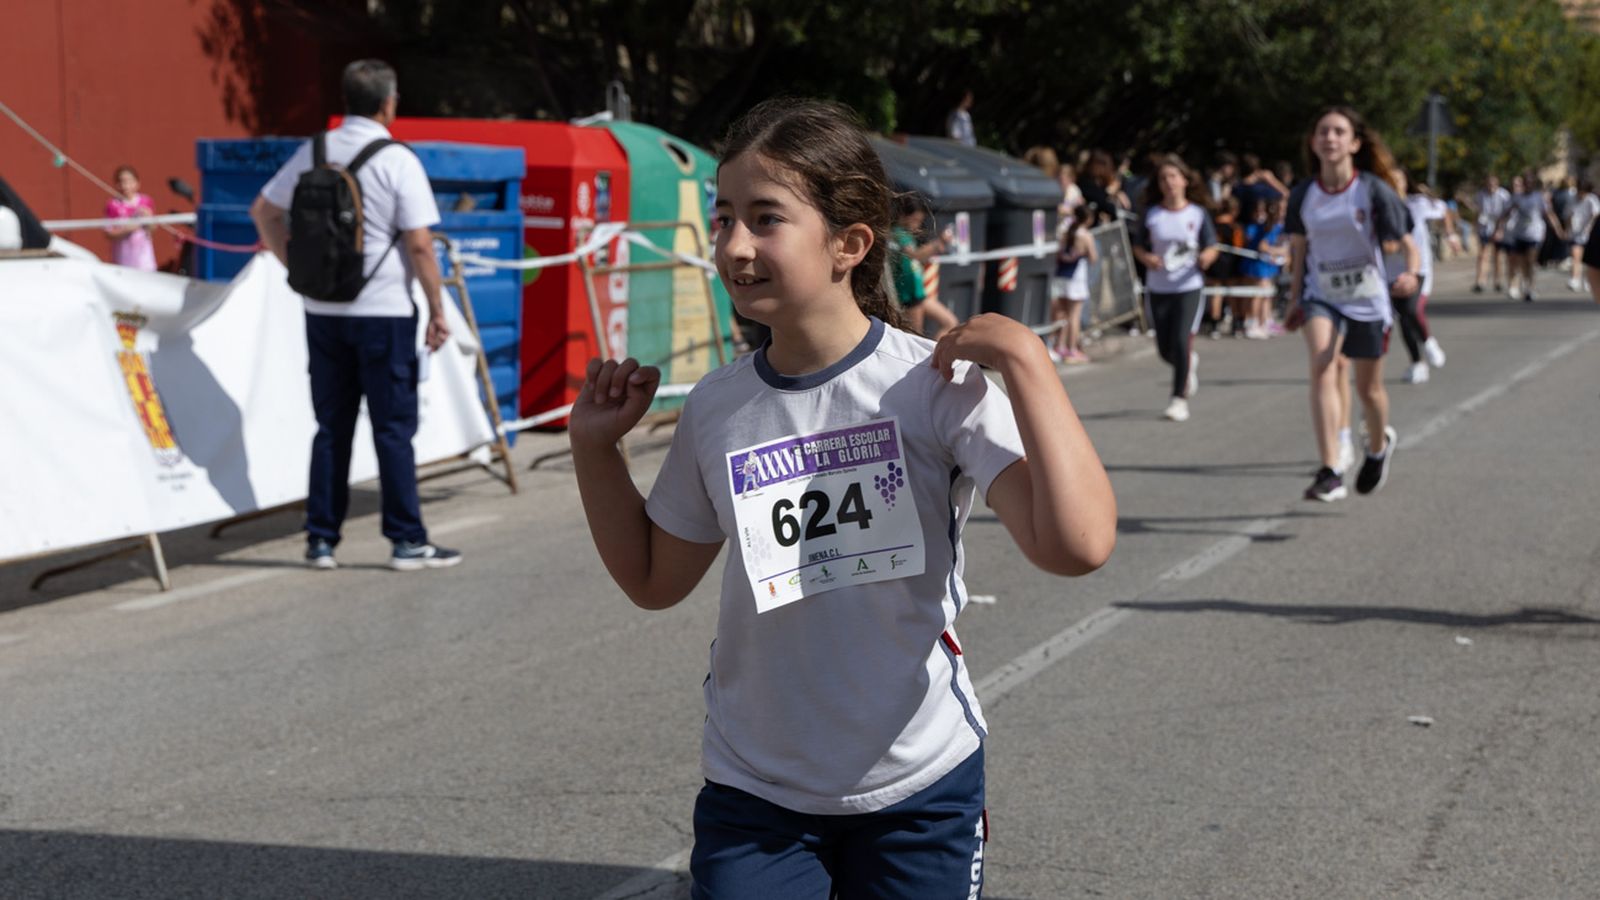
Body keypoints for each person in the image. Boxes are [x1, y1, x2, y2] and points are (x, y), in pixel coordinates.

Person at [567, 97, 1116, 899]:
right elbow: (654, 581)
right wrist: (594, 447)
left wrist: (1029, 364)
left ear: (849, 245)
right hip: (756, 794)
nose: (735, 246)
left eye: (765, 219)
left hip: (918, 790)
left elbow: (1079, 544)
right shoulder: (719, 407)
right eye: (723, 219)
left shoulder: (932, 386)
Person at [249, 59, 461, 571]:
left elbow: (264, 212)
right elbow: (420, 245)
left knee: (331, 426)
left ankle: (321, 540)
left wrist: (296, 269)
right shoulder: (397, 160)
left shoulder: (314, 151)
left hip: (322, 311)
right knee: (392, 428)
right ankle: (406, 540)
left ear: (345, 100)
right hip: (383, 312)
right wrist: (437, 309)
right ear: (388, 103)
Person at [1283, 106, 1418, 502]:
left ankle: (1377, 447)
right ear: (1313, 142)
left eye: (1339, 132)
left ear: (1355, 143)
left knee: (1368, 390)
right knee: (1323, 365)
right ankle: (1331, 468)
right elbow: (1300, 250)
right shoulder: (1303, 195)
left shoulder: (1372, 189)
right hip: (1321, 294)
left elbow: (1407, 244)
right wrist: (1294, 300)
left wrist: (1411, 274)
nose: (1330, 138)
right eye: (1323, 131)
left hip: (1367, 298)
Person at [1131, 154, 1218, 423]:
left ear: (1184, 180)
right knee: (1165, 349)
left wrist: (1206, 257)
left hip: (1188, 286)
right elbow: (1138, 246)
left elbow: (1212, 246)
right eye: (1163, 178)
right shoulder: (1152, 214)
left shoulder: (1197, 213)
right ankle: (1187, 363)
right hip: (1158, 286)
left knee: (1181, 340)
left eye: (1173, 176)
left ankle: (1178, 399)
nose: (1169, 182)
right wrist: (1148, 259)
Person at [1392, 171, 1448, 384]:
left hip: (1419, 267)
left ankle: (1428, 341)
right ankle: (1417, 363)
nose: (1395, 183)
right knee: (1403, 318)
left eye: (1398, 178)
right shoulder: (1378, 202)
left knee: (1412, 309)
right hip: (1392, 269)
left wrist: (1450, 234)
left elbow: (1444, 211)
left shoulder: (1418, 202)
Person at [891, 196, 959, 339]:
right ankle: (930, 360)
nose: (917, 225)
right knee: (915, 337)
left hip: (918, 293)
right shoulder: (897, 234)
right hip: (908, 295)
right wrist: (937, 243)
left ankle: (935, 356)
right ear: (904, 216)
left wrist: (937, 247)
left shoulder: (908, 236)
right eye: (915, 220)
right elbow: (914, 255)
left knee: (950, 322)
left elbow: (918, 259)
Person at [1496, 172, 1563, 302]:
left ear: (1533, 184)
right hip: (1519, 234)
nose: (1527, 185)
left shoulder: (1539, 197)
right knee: (1522, 263)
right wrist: (1499, 228)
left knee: (1531, 261)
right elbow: (1506, 213)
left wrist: (1558, 230)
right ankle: (1525, 285)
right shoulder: (1517, 198)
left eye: (1530, 183)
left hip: (1534, 234)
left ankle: (1531, 288)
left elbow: (1549, 214)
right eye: (1525, 183)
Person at [1050, 204, 1097, 362]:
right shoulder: (1085, 235)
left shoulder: (1067, 232)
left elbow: (1059, 253)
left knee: (1062, 313)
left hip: (1062, 274)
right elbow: (1093, 257)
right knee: (1074, 315)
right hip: (1076, 277)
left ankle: (1060, 346)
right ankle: (1072, 349)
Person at [1238, 197, 1288, 339]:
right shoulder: (1270, 225)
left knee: (1266, 295)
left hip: (1268, 265)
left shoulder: (1279, 225)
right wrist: (1279, 252)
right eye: (1280, 209)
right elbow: (1263, 246)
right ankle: (1253, 323)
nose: (1282, 212)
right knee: (1258, 295)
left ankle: (1265, 321)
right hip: (1260, 265)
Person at [104, 165, 158, 271]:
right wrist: (127, 230)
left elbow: (153, 229)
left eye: (129, 182)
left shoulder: (146, 202)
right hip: (123, 260)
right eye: (121, 182)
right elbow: (108, 233)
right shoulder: (112, 205)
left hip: (144, 261)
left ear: (137, 183)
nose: (125, 186)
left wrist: (149, 218)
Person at [1473, 174, 1511, 293]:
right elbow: (1478, 210)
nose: (1491, 186)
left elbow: (1507, 213)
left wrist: (1500, 229)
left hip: (1498, 226)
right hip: (1484, 227)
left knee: (1497, 255)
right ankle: (1480, 281)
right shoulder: (1480, 195)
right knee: (1482, 254)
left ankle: (1497, 280)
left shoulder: (1503, 195)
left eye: (1493, 184)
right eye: (1489, 184)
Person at [1566, 179, 1599, 292]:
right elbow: (1569, 214)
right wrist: (1568, 228)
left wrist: (1590, 227)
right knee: (1576, 255)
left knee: (1588, 259)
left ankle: (1588, 280)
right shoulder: (1572, 199)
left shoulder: (1591, 200)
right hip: (1576, 232)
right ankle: (1575, 278)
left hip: (1589, 234)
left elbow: (1595, 215)